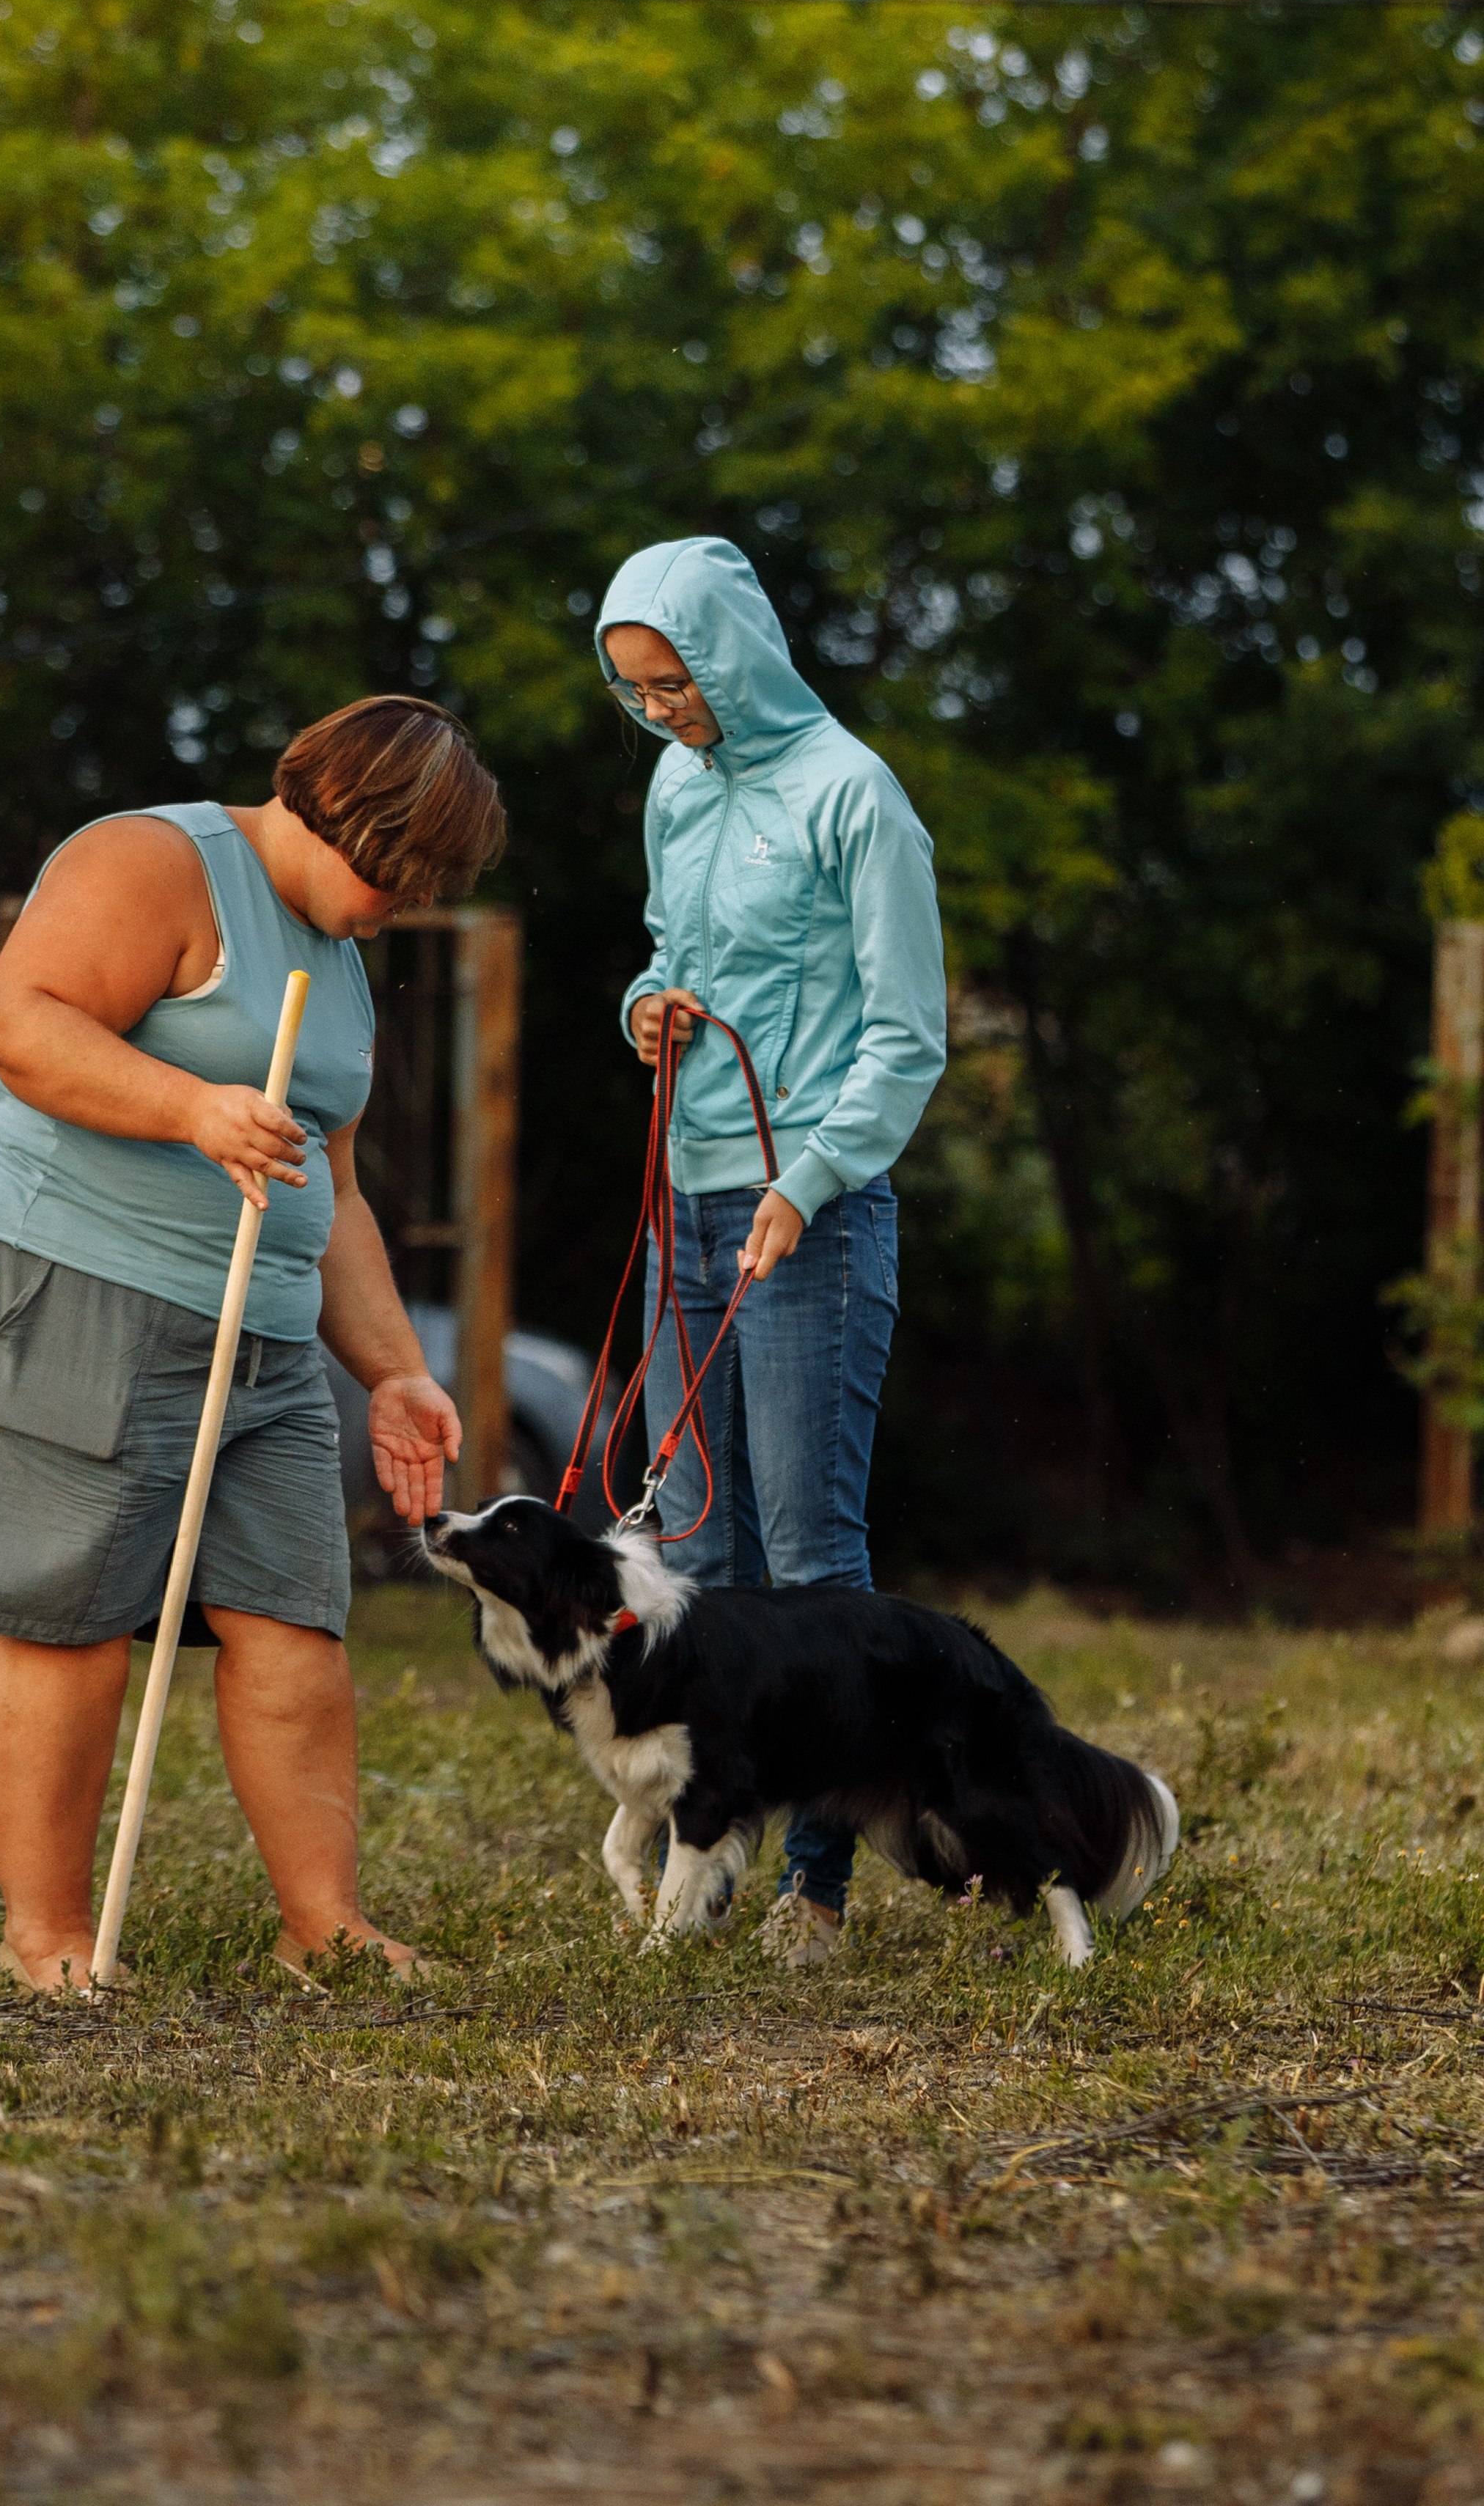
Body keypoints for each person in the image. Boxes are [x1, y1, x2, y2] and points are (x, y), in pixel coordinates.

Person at [0, 697, 504, 1993]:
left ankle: (326, 1926)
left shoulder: (338, 953)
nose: (407, 907)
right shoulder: (155, 859)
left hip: (266, 1328)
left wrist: (395, 1370)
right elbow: (19, 1026)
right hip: (79, 1275)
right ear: (350, 820)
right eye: (403, 876)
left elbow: (332, 1189)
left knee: (294, 1621)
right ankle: (47, 1936)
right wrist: (191, 1107)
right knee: (68, 1616)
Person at [597, 537, 946, 1965]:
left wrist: (809, 1178)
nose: (656, 711)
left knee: (806, 1554)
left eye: (671, 683)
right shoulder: (675, 787)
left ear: (729, 656)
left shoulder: (856, 796)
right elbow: (662, 955)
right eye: (632, 691)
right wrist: (644, 1012)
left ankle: (819, 1884)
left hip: (810, 1209)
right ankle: (710, 1857)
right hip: (682, 1201)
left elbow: (906, 1036)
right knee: (690, 1545)